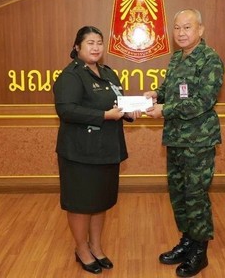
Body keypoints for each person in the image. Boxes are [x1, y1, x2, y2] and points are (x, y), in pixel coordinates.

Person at [53, 26, 141, 275]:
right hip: (80, 153)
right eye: (90, 43)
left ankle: (96, 247)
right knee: (81, 203)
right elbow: (66, 110)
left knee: (100, 201)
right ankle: (82, 249)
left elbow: (118, 104)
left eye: (99, 43)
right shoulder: (71, 75)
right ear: (77, 47)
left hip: (106, 150)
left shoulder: (108, 73)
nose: (95, 47)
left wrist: (129, 112)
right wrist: (103, 115)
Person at [144, 9, 224, 278]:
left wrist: (164, 110)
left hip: (198, 142)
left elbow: (203, 101)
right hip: (176, 140)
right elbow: (171, 90)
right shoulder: (177, 58)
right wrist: (156, 94)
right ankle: (187, 241)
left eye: (187, 27)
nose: (181, 33)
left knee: (196, 196)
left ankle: (200, 251)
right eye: (177, 28)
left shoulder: (210, 59)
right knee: (178, 194)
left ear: (200, 30)